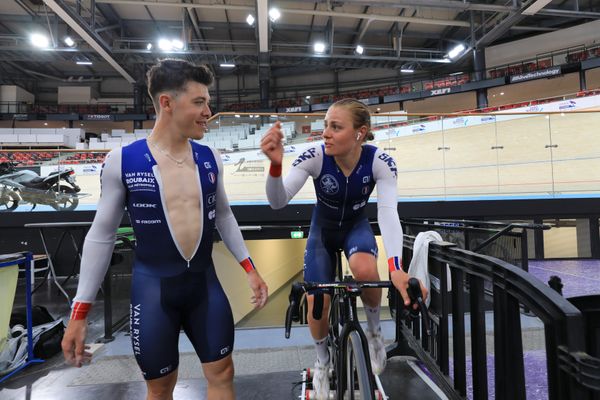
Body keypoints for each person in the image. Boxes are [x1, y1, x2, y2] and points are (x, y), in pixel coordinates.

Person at [61, 58, 268, 400]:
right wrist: (79, 312)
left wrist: (249, 267)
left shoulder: (210, 156)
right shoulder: (123, 160)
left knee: (222, 373)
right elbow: (101, 235)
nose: (208, 111)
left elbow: (225, 216)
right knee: (159, 389)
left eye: (208, 102)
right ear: (167, 103)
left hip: (204, 286)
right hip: (153, 291)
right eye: (199, 102)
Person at [261, 98, 427, 400]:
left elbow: (388, 213)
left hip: (355, 227)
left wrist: (396, 268)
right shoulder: (314, 155)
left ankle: (375, 333)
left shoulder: (380, 161)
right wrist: (275, 166)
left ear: (359, 133)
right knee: (317, 302)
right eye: (325, 125)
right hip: (322, 232)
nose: (325, 133)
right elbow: (277, 201)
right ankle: (323, 362)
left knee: (365, 270)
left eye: (335, 127)